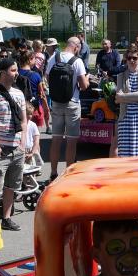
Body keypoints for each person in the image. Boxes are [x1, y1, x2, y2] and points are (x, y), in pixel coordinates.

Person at [0, 57, 27, 232]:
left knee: (10, 187)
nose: (16, 74)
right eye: (13, 70)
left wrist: (22, 143)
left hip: (17, 149)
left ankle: (6, 219)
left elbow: (24, 120)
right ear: (2, 72)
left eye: (16, 70)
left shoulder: (19, 94)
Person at [44, 36, 90, 181]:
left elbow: (47, 78)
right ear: (76, 47)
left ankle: (53, 172)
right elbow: (83, 86)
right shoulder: (77, 61)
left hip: (56, 102)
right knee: (71, 141)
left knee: (56, 139)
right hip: (72, 103)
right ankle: (68, 176)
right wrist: (87, 79)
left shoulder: (54, 58)